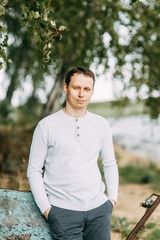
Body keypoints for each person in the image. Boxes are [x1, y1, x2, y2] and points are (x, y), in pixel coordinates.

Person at [27, 66, 119, 240]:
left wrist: (111, 200)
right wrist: (48, 210)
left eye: (87, 89)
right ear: (65, 88)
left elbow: (110, 164)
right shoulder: (46, 126)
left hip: (99, 210)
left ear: (92, 92)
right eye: (76, 88)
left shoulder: (101, 124)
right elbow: (34, 170)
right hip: (62, 212)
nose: (81, 94)